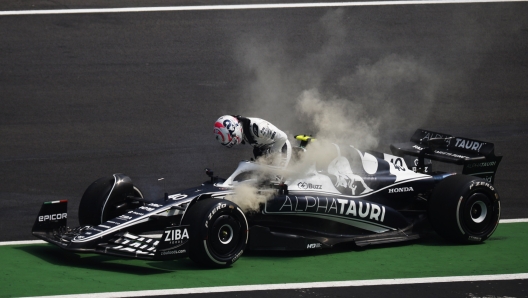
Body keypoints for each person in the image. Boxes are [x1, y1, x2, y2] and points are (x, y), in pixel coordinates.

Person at [214, 115, 291, 167]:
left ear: (236, 130)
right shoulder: (240, 125)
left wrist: (271, 153)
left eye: (233, 140)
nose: (235, 143)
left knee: (277, 180)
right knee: (263, 179)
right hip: (265, 148)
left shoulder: (259, 128)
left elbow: (283, 137)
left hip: (281, 147)